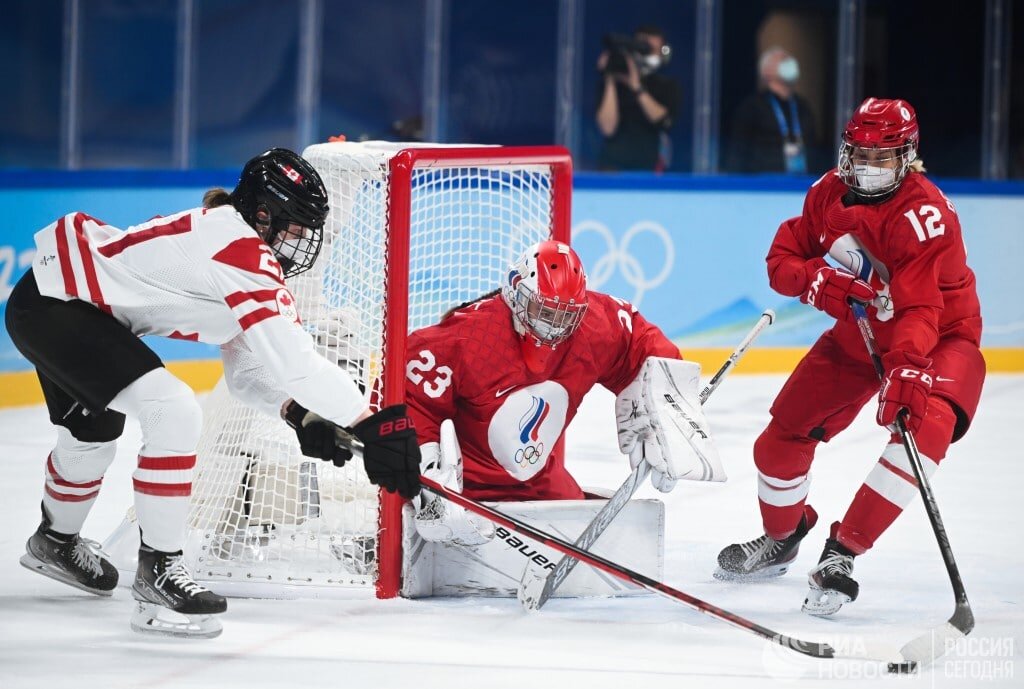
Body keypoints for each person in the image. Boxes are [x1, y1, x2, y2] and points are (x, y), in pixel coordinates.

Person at [4, 148, 421, 637]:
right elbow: (297, 362)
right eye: (293, 228)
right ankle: (158, 572)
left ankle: (54, 542)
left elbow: (246, 370)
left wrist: (297, 414)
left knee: (93, 429)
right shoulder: (240, 250)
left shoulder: (232, 239)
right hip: (57, 307)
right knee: (174, 411)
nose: (299, 242)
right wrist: (371, 421)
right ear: (263, 215)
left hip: (54, 300)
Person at [714, 98, 985, 617]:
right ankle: (783, 535)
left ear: (908, 157)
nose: (869, 167)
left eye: (883, 158)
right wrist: (818, 281)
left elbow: (922, 308)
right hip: (861, 332)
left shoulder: (924, 217)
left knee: (922, 433)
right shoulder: (826, 194)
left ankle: (842, 554)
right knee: (779, 440)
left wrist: (907, 366)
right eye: (861, 154)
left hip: (938, 336)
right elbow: (783, 259)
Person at [403, 239, 719, 547]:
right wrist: (426, 476)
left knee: (596, 537)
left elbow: (643, 346)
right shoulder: (468, 338)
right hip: (465, 488)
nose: (554, 327)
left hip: (537, 483)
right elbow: (409, 400)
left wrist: (666, 406)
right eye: (544, 311)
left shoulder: (594, 326)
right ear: (515, 292)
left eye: (566, 315)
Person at [595, 25, 681, 171]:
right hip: (612, 168)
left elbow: (663, 121)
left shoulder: (668, 85)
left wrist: (636, 87)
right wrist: (609, 79)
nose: (648, 54)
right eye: (643, 48)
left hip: (650, 168)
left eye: (653, 50)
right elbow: (607, 128)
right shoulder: (614, 83)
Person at [725, 47, 819, 174]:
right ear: (766, 72)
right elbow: (738, 152)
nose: (789, 63)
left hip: (801, 181)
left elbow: (813, 145)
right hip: (764, 183)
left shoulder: (803, 107)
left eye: (789, 59)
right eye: (782, 60)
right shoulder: (752, 107)